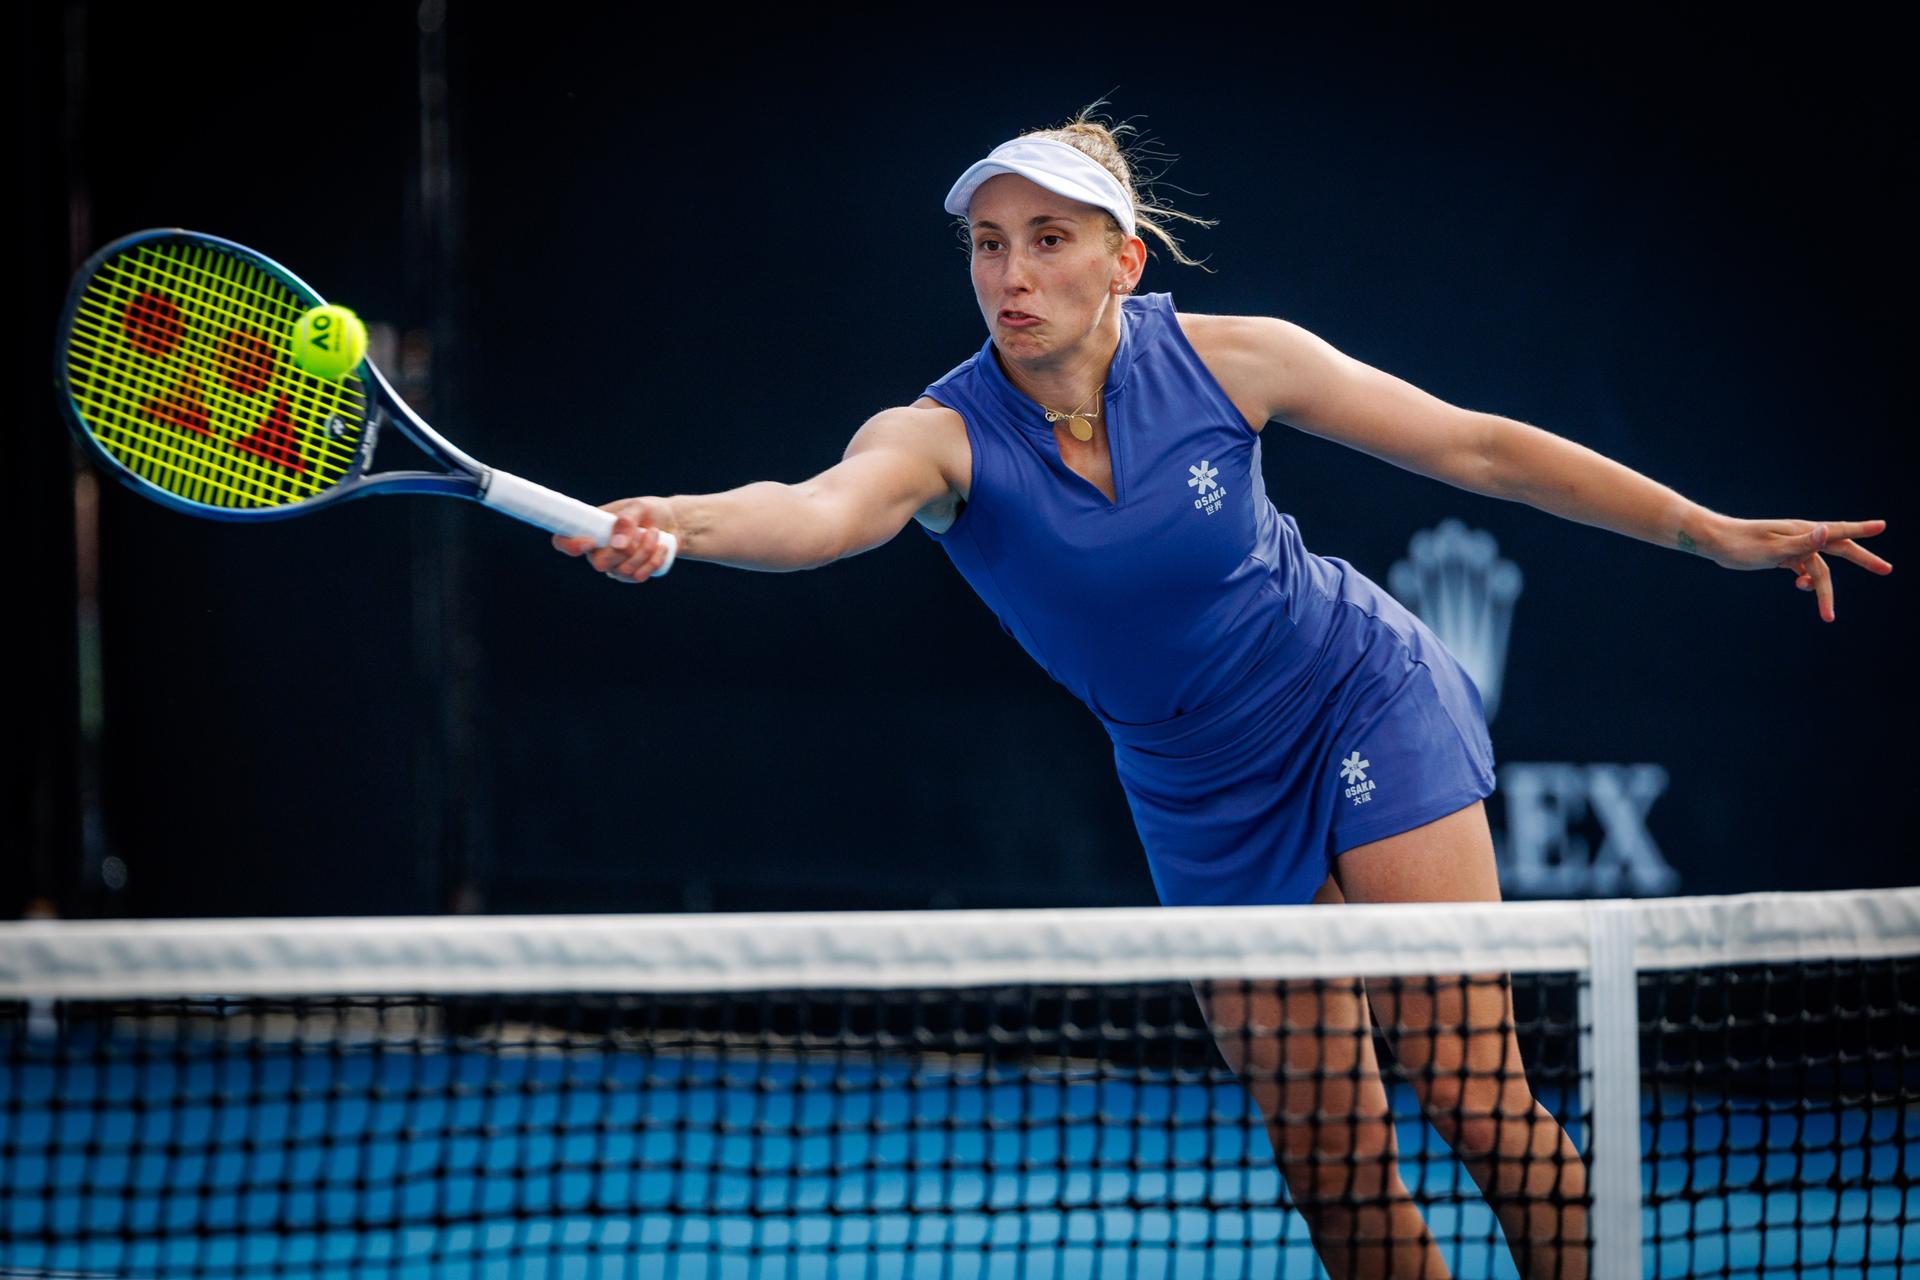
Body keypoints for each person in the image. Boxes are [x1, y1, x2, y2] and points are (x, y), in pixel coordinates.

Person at [554, 110, 1891, 1279]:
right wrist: (684, 524)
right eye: (988, 244)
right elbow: (817, 510)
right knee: (1330, 1164)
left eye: (1049, 240)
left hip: (1357, 697)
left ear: (1124, 261)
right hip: (1196, 789)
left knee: (1471, 1092)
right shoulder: (937, 437)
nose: (1012, 274)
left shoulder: (1236, 361)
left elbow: (1479, 448)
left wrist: (1709, 531)